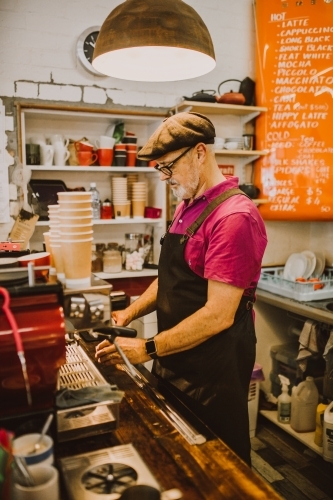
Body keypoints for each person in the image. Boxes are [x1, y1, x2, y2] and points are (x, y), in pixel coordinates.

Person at [95, 112, 267, 466]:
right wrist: (130, 311)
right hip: (176, 359)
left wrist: (148, 347)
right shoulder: (188, 206)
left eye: (169, 167)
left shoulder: (234, 217)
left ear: (200, 152)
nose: (164, 177)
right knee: (181, 456)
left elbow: (218, 315)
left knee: (221, 465)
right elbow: (171, 278)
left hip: (213, 370)